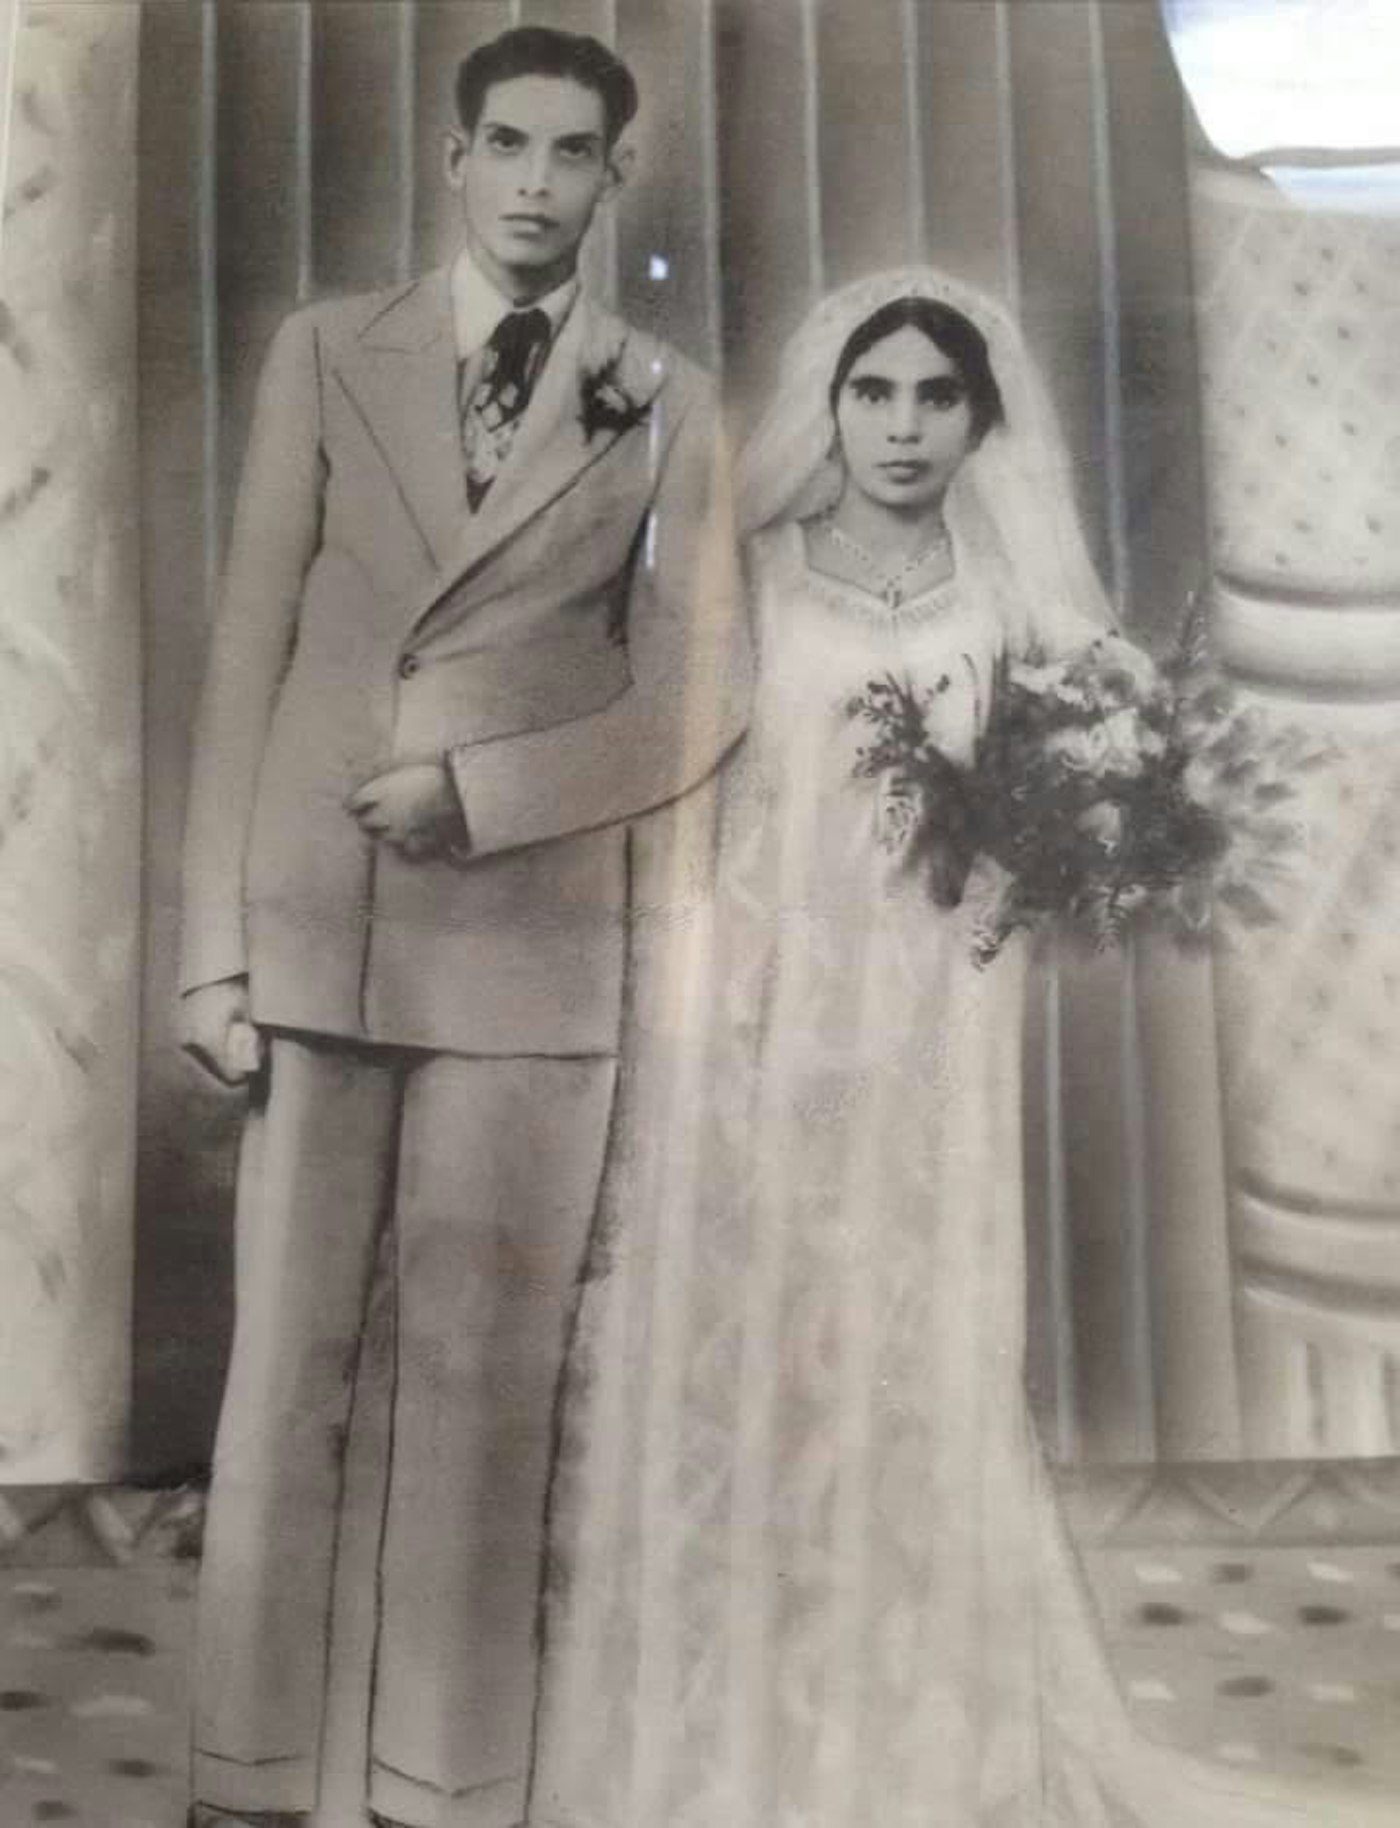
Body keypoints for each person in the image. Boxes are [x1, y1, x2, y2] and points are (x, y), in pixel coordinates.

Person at [525, 268, 1400, 1827]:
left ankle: (914, 1743)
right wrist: (687, 1006)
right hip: (750, 1026)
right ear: (832, 407)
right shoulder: (757, 576)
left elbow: (1111, 810)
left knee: (909, 1354)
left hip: (932, 1033)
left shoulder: (1017, 609)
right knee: (750, 1354)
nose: (905, 425)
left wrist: (1053, 865)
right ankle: (728, 1738)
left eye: (939, 397)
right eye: (877, 394)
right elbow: (682, 807)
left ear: (982, 420)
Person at [177, 25, 748, 1828]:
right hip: (320, 922)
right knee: (286, 1384)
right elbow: (249, 641)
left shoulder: (670, 398)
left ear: (612, 180)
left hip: (528, 945)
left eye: (571, 154)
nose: (532, 182)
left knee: (485, 1390)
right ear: (452, 158)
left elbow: (700, 696)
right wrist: (214, 948)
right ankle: (246, 1786)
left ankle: (447, 1791)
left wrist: (487, 795)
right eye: (504, 144)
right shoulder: (323, 352)